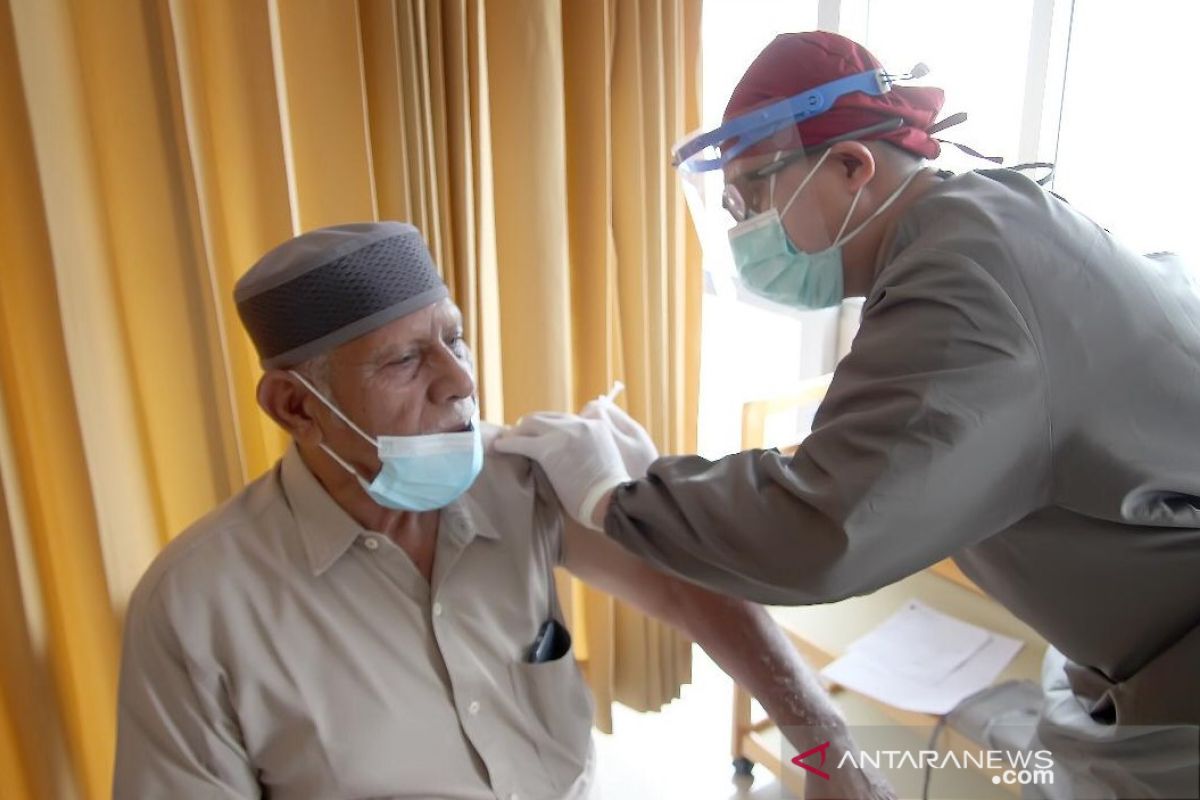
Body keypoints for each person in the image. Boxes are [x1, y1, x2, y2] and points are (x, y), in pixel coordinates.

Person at [495, 31, 1200, 799]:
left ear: (852, 166)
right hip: (1130, 661)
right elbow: (876, 447)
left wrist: (614, 497)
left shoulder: (965, 278)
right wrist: (656, 487)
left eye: (752, 196)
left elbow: (823, 529)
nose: (742, 230)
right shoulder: (972, 228)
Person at [112, 221, 891, 799]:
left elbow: (692, 589)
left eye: (454, 340)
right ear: (296, 406)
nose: (458, 382)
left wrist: (825, 744)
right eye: (405, 359)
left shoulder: (524, 480)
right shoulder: (196, 609)